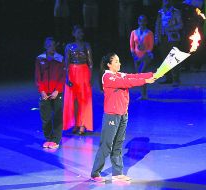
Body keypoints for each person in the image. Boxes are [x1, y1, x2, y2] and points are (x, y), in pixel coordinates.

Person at [90, 53, 158, 182]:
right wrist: (145, 81)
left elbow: (134, 76)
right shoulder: (107, 77)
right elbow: (126, 82)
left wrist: (152, 74)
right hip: (112, 115)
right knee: (106, 145)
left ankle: (117, 173)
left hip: (123, 114)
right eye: (116, 62)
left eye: (119, 61)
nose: (119, 64)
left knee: (118, 144)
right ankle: (95, 173)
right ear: (108, 65)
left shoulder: (118, 74)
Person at [35, 37, 65, 149]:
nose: (51, 47)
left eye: (53, 45)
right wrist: (42, 91)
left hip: (57, 93)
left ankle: (56, 140)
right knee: (46, 117)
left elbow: (62, 76)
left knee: (57, 117)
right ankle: (48, 138)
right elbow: (38, 77)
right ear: (45, 47)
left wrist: (57, 90)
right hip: (44, 93)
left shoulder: (60, 59)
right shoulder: (39, 59)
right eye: (49, 45)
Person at [63, 25, 93, 135]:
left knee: (83, 99)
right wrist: (67, 77)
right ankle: (75, 124)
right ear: (74, 34)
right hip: (72, 72)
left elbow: (90, 63)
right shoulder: (69, 47)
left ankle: (83, 124)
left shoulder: (86, 45)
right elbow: (66, 63)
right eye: (78, 32)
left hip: (83, 72)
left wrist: (90, 77)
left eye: (82, 32)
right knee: (73, 100)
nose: (80, 34)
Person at [155, 0, 183, 86]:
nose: (165, 2)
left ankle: (176, 79)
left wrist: (171, 29)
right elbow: (157, 25)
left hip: (172, 38)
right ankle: (168, 78)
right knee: (165, 58)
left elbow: (180, 25)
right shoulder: (160, 12)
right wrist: (156, 37)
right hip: (163, 38)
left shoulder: (175, 12)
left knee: (173, 59)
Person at [130, 15, 154, 99]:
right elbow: (132, 45)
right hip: (136, 56)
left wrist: (145, 55)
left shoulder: (149, 33)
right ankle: (143, 94)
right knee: (140, 75)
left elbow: (151, 46)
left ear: (146, 22)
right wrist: (134, 55)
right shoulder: (134, 32)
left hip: (146, 56)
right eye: (140, 21)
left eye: (144, 21)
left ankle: (144, 95)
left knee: (142, 72)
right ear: (138, 22)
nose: (142, 23)